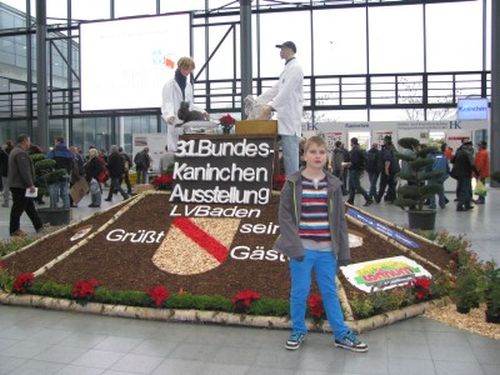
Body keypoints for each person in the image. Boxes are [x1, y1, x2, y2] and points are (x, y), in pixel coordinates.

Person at [274, 135, 368, 353]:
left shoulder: (333, 184)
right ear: (304, 155)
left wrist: (342, 251)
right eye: (313, 152)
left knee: (329, 292)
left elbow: (339, 221)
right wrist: (295, 247)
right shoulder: (293, 183)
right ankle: (298, 330)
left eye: (322, 152)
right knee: (299, 292)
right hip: (302, 251)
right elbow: (285, 217)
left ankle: (341, 334)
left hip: (327, 251)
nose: (317, 156)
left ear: (327, 156)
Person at [257, 41, 304, 176]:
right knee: (288, 156)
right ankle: (291, 187)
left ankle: (294, 189)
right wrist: (258, 101)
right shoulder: (287, 70)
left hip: (290, 119)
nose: (280, 51)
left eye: (282, 49)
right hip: (285, 118)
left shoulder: (296, 68)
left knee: (290, 157)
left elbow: (286, 91)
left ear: (289, 49)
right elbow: (276, 89)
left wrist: (271, 106)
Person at [161, 56, 207, 152]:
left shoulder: (188, 85)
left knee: (186, 149)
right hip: (175, 121)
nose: (187, 72)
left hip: (187, 123)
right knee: (175, 149)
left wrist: (202, 111)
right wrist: (169, 116)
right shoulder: (169, 85)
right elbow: (167, 103)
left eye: (189, 70)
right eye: (185, 69)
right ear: (179, 67)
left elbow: (190, 105)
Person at [8, 134, 44, 237]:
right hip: (21, 186)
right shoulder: (20, 153)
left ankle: (39, 226)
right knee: (18, 208)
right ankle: (14, 230)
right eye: (28, 141)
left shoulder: (14, 151)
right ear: (24, 141)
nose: (29, 143)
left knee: (29, 207)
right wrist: (30, 184)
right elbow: (24, 171)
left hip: (17, 185)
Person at [47, 136, 74, 209]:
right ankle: (66, 208)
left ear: (58, 142)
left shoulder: (53, 152)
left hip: (55, 174)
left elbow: (48, 162)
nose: (54, 143)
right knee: (65, 192)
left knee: (54, 192)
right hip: (65, 175)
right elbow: (72, 164)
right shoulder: (68, 152)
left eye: (55, 141)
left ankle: (54, 208)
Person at [451, 141, 477, 212]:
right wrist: (477, 172)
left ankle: (467, 205)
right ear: (469, 146)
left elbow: (452, 160)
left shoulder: (459, 151)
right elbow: (472, 165)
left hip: (458, 174)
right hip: (466, 174)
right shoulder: (468, 153)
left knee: (467, 189)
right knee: (465, 190)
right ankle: (459, 206)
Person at [346, 138, 372, 207]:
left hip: (355, 170)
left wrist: (348, 164)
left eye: (350, 142)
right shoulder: (359, 149)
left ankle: (368, 199)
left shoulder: (355, 150)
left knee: (357, 186)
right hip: (356, 170)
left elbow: (355, 162)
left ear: (352, 142)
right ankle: (351, 200)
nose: (350, 144)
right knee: (351, 185)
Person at [376, 136, 399, 203]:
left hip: (388, 170)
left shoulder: (387, 149)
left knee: (383, 185)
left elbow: (387, 160)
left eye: (384, 140)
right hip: (394, 169)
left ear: (386, 141)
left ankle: (378, 199)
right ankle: (393, 199)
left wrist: (386, 169)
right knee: (391, 185)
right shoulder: (393, 148)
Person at [428, 143, 450, 209]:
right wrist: (446, 175)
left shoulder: (430, 156)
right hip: (441, 176)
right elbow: (447, 167)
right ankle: (442, 204)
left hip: (432, 175)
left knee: (431, 191)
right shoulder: (443, 155)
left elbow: (428, 167)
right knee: (441, 191)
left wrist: (427, 174)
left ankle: (432, 205)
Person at [0, 140, 13, 207]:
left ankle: (6, 202)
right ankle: (14, 201)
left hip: (5, 172)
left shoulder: (3, 153)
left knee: (6, 187)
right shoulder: (13, 151)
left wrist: (2, 150)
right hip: (12, 171)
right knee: (12, 187)